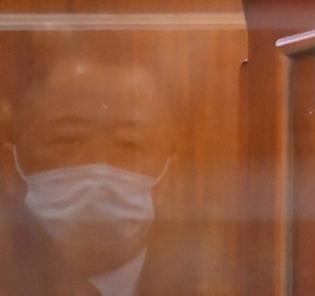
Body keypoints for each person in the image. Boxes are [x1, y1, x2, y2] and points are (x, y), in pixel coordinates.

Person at [1, 55, 201, 296]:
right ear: (8, 167)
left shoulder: (222, 285)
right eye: (67, 140)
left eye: (129, 145)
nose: (97, 169)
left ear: (172, 178)